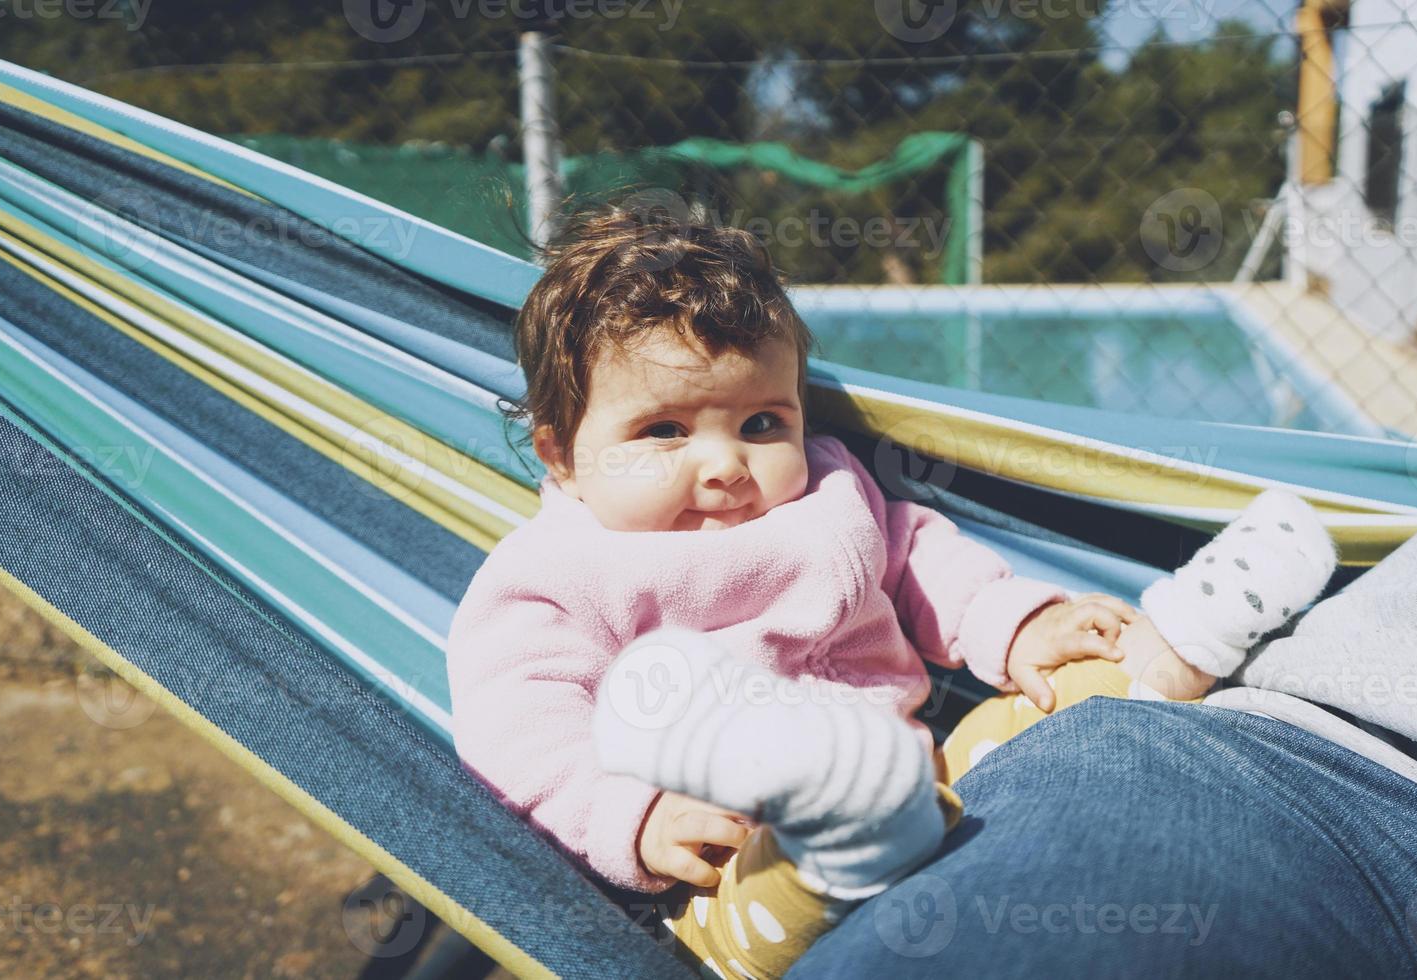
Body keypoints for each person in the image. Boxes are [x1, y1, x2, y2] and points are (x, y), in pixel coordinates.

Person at [443, 204, 1353, 979]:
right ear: (564, 452)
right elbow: (515, 720)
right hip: (734, 861)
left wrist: (1017, 622)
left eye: (763, 421)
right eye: (664, 429)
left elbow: (920, 557)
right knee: (786, 889)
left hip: (932, 770)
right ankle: (842, 824)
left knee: (1044, 708)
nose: (725, 464)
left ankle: (1169, 652)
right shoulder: (557, 573)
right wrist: (630, 818)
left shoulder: (831, 492)